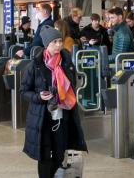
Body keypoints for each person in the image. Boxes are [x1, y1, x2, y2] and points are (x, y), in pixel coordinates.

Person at [20, 25, 87, 178]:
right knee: (44, 156)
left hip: (62, 115)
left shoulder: (66, 63)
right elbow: (24, 91)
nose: (58, 45)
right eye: (54, 42)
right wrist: (39, 97)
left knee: (58, 155)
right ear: (46, 45)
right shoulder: (35, 66)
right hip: (42, 118)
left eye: (60, 41)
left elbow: (72, 84)